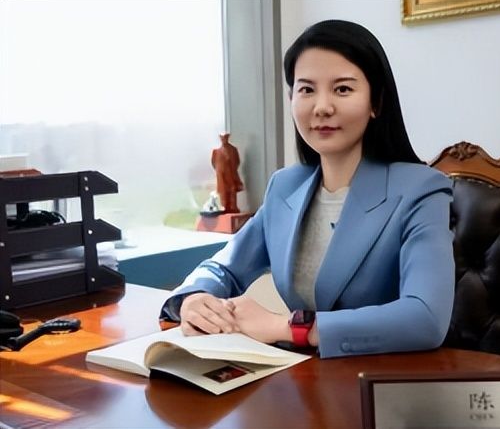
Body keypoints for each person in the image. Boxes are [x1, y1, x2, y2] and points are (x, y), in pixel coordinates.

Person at [160, 20, 454, 358]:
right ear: (291, 99)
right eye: (307, 90)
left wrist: (288, 327)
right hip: (302, 375)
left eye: (342, 89)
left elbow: (425, 318)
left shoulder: (420, 189)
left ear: (376, 101)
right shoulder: (286, 186)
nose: (322, 107)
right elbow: (224, 266)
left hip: (382, 379)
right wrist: (195, 298)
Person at [211, 132, 244, 213]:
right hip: (221, 175)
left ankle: (233, 207)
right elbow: (214, 163)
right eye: (222, 138)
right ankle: (225, 206)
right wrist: (220, 170)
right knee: (223, 191)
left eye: (225, 138)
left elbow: (237, 161)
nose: (223, 140)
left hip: (231, 174)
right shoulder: (216, 152)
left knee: (232, 190)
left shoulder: (233, 150)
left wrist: (232, 170)